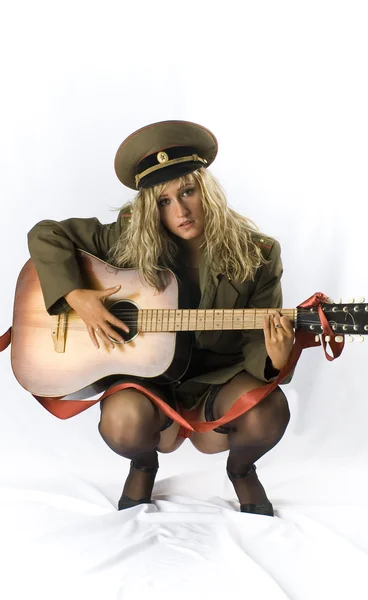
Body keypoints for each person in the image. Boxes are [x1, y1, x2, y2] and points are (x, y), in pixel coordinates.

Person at [28, 120, 295, 516]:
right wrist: (76, 295)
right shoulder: (125, 238)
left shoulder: (258, 252)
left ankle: (241, 470)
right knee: (121, 423)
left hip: (217, 381)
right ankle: (144, 463)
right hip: (148, 380)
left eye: (188, 192)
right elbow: (45, 234)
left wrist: (274, 356)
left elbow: (258, 340)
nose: (181, 210)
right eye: (164, 201)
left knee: (270, 412)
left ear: (207, 191)